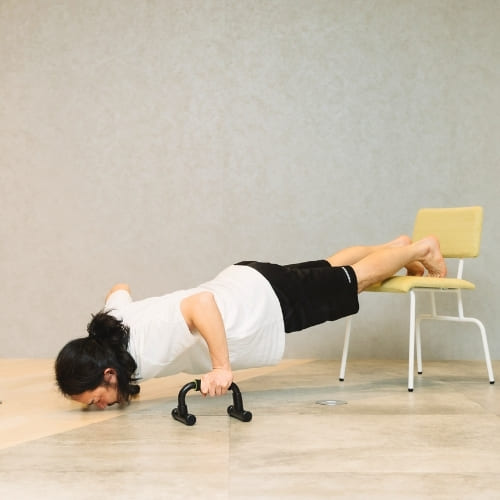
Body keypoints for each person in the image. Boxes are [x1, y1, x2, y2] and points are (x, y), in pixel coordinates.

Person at [55, 235, 446, 409]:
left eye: (96, 400)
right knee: (330, 267)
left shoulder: (147, 348)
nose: (101, 407)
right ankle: (396, 248)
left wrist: (221, 368)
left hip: (259, 305)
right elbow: (119, 288)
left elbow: (200, 304)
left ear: (108, 373)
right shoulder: (112, 327)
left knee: (354, 281)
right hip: (246, 280)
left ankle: (421, 248)